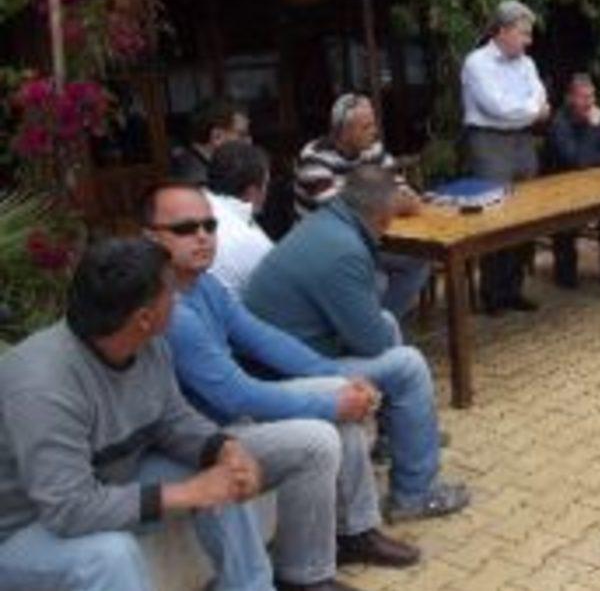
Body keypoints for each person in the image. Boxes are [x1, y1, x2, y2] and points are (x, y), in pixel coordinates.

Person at [0, 238, 351, 591]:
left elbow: (172, 419)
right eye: (171, 292)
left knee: (223, 475)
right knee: (109, 555)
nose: (180, 299)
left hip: (105, 483)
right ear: (143, 318)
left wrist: (224, 448)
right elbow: (69, 509)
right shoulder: (42, 385)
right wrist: (188, 493)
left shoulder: (148, 344)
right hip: (21, 529)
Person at [144, 183, 451, 557]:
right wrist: (331, 402)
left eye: (209, 225)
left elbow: (262, 337)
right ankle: (307, 570)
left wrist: (335, 376)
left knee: (342, 400)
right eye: (185, 228)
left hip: (239, 407)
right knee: (329, 425)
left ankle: (356, 532)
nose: (202, 236)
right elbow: (236, 395)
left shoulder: (203, 284)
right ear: (151, 237)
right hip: (207, 435)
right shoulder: (173, 312)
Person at [294, 93, 430, 316]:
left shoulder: (372, 148)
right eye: (366, 127)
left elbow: (400, 186)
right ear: (344, 132)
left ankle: (382, 324)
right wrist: (391, 202)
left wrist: (401, 197)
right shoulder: (314, 158)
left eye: (373, 124)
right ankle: (368, 327)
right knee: (376, 281)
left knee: (418, 260)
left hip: (366, 241)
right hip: (324, 248)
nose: (374, 131)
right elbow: (342, 212)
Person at [461, 0, 550, 314]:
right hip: (489, 142)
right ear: (501, 31)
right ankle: (492, 293)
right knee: (496, 215)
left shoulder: (527, 63)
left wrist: (525, 110)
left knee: (525, 214)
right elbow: (497, 108)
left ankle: (514, 288)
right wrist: (532, 111)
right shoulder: (476, 63)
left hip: (522, 141)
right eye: (523, 33)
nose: (529, 40)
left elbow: (539, 94)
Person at [544, 73, 600, 288]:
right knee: (566, 215)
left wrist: (594, 160)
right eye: (584, 97)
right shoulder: (560, 123)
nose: (590, 103)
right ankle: (565, 272)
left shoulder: (599, 117)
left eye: (592, 97)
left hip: (594, 184)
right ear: (570, 98)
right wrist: (592, 129)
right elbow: (576, 162)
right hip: (558, 190)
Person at [207, 141, 274, 297]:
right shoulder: (256, 245)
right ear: (252, 192)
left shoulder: (191, 205)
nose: (267, 193)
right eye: (266, 185)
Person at [170, 98, 250, 184]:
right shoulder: (198, 180)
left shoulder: (189, 164)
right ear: (217, 136)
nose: (248, 141)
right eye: (241, 135)